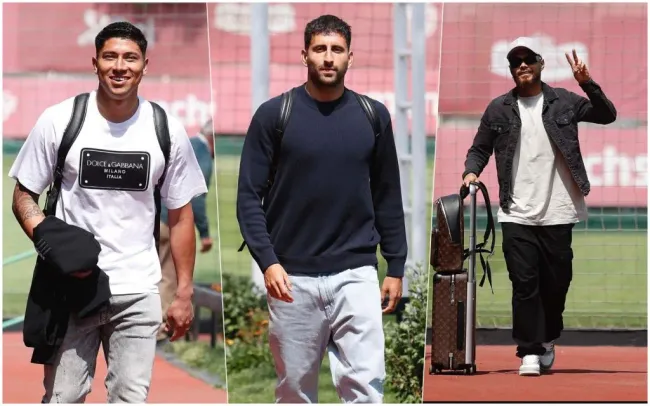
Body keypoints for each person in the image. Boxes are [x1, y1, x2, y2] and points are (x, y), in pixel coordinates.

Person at [9, 21, 208, 402]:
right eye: (110, 56)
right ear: (95, 62)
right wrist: (50, 240)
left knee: (130, 398)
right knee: (63, 397)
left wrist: (183, 293)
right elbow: (23, 195)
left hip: (138, 290)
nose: (120, 66)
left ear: (145, 65)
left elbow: (180, 216)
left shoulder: (165, 128)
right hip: (71, 289)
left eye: (130, 58)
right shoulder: (60, 120)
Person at [236, 14, 407, 403]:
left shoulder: (373, 116)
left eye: (336, 50)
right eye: (320, 49)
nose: (328, 58)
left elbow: (387, 195)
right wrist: (268, 262)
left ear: (350, 57)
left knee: (366, 388)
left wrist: (395, 266)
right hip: (291, 277)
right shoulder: (273, 115)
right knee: (295, 392)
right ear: (304, 55)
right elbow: (248, 197)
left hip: (357, 273)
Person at [462, 37, 617, 376]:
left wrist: (586, 83)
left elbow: (607, 115)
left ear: (540, 64)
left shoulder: (564, 101)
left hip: (560, 209)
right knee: (524, 282)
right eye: (515, 61)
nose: (521, 66)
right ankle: (529, 351)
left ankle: (546, 339)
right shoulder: (498, 109)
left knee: (556, 281)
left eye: (528, 59)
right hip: (516, 211)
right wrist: (471, 171)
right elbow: (479, 148)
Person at [157, 119, 216, 343]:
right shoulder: (201, 155)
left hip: (153, 217)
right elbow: (195, 199)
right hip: (170, 221)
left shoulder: (187, 144)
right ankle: (162, 327)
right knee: (170, 276)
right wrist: (205, 233)